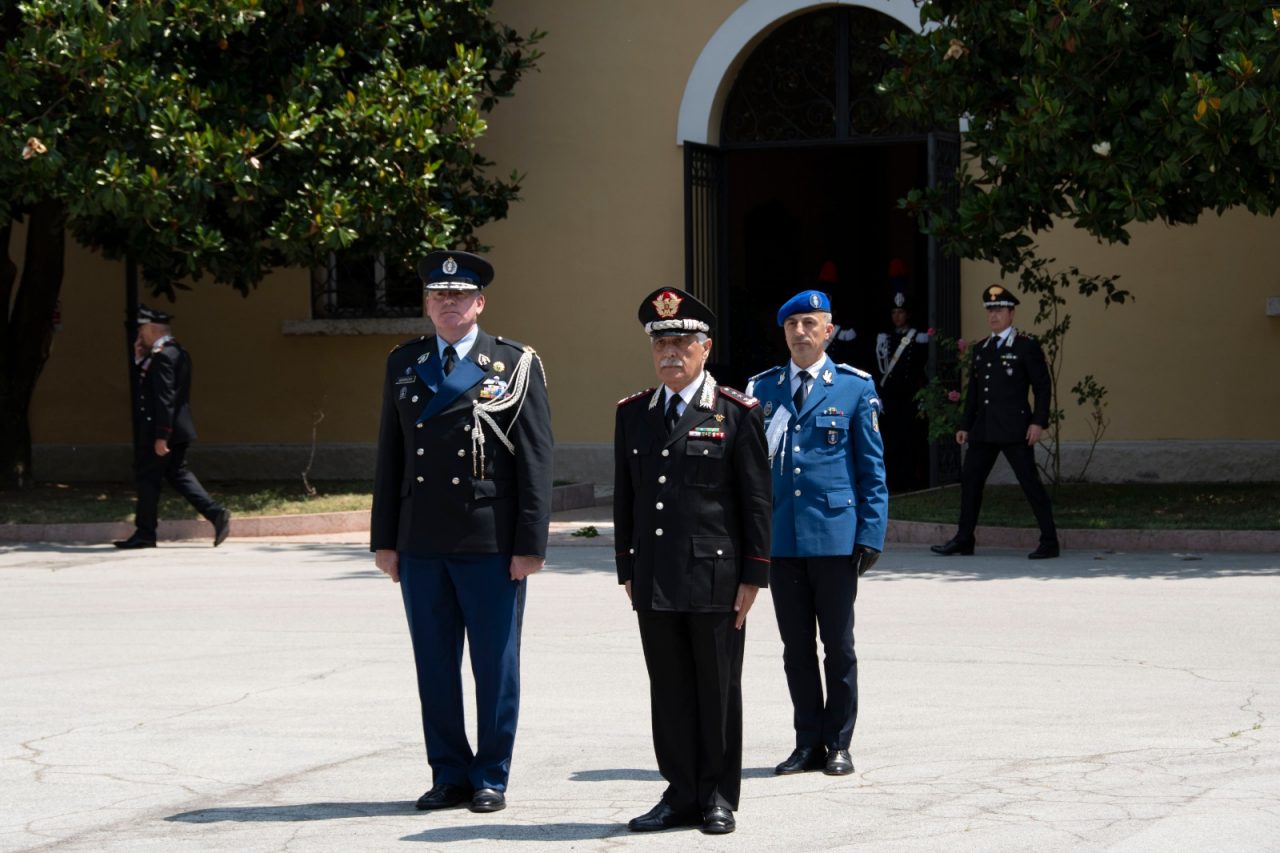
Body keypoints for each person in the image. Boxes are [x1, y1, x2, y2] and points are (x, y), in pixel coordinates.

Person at [370, 249, 553, 814]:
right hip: (422, 540)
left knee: (495, 666)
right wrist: (385, 540)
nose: (448, 303)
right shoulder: (405, 362)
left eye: (459, 295)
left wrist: (530, 544)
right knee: (434, 664)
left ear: (480, 303)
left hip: (488, 540)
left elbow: (535, 459)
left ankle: (490, 775)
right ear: (427, 305)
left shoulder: (514, 364)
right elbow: (391, 456)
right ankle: (448, 773)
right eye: (438, 296)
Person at [614, 286, 771, 836]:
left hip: (714, 576)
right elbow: (626, 497)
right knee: (670, 691)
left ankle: (717, 796)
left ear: (705, 348)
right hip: (655, 575)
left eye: (681, 343)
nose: (670, 354)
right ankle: (679, 792)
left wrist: (754, 575)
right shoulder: (634, 413)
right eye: (661, 344)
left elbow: (756, 500)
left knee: (717, 689)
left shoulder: (735, 412)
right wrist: (627, 567)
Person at [746, 289, 887, 780]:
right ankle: (807, 742)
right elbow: (749, 473)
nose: (800, 332)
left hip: (834, 537)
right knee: (796, 648)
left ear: (828, 331)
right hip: (781, 538)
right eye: (792, 325)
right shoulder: (761, 389)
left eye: (810, 323)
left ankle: (839, 743)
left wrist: (870, 533)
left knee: (839, 646)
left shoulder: (853, 387)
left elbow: (872, 470)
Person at [932, 285, 1060, 560]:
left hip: (1015, 430)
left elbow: (1042, 386)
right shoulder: (982, 348)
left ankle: (1050, 540)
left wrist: (1038, 422)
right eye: (990, 310)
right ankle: (964, 539)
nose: (994, 315)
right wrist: (965, 425)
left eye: (999, 310)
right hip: (985, 429)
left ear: (1011, 314)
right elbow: (974, 393)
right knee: (970, 481)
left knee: (1030, 483)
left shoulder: (1025, 346)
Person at [113, 305, 230, 549]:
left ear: (152, 329)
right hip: (177, 427)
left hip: (162, 429)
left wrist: (161, 436)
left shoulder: (163, 356)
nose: (139, 334)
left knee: (148, 479)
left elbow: (165, 398)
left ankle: (145, 533)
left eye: (142, 329)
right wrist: (140, 359)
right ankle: (216, 513)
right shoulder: (177, 352)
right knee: (177, 474)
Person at [874, 291, 930, 492]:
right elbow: (880, 369)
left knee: (910, 439)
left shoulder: (918, 337)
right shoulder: (885, 338)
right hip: (890, 397)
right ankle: (893, 481)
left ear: (908, 314)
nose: (897, 316)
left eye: (901, 312)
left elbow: (923, 367)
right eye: (894, 312)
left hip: (910, 395)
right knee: (890, 440)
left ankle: (910, 480)